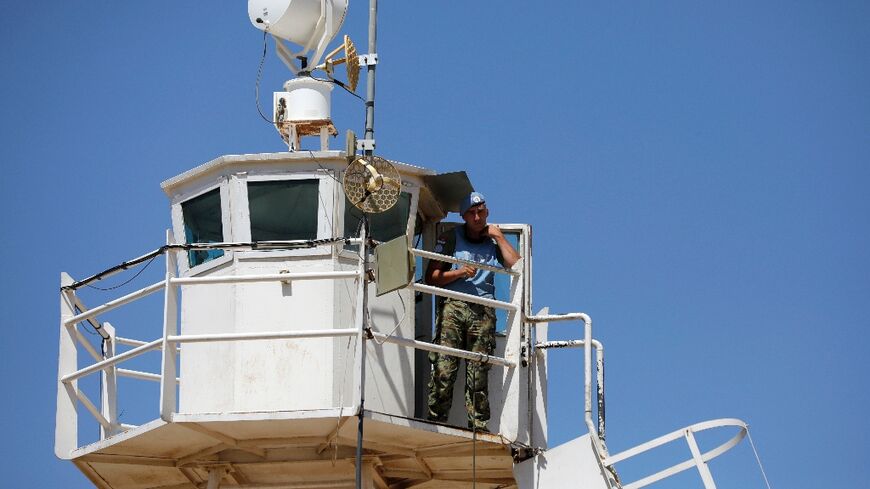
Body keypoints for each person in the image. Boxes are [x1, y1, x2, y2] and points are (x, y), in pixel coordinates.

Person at [425, 191, 520, 430]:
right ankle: (437, 420)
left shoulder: (492, 241)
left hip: (483, 310)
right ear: (464, 216)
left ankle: (478, 424)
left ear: (487, 212)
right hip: (454, 307)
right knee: (445, 368)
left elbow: (516, 263)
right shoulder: (450, 238)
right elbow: (432, 277)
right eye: (471, 213)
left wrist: (499, 236)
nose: (477, 217)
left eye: (481, 211)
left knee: (478, 371)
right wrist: (458, 272)